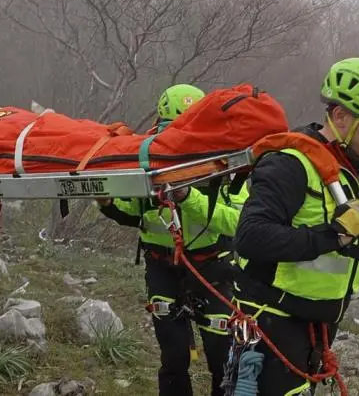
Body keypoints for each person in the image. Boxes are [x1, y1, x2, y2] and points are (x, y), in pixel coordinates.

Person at [233, 57, 359, 395]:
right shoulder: (289, 164)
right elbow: (250, 237)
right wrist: (333, 235)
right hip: (273, 316)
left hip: (323, 318)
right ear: (341, 116)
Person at [97, 84, 248, 396]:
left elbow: (239, 221)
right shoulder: (147, 161)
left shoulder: (226, 164)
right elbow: (136, 212)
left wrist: (188, 197)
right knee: (174, 356)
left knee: (221, 356)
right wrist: (108, 203)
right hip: (162, 266)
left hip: (213, 268)